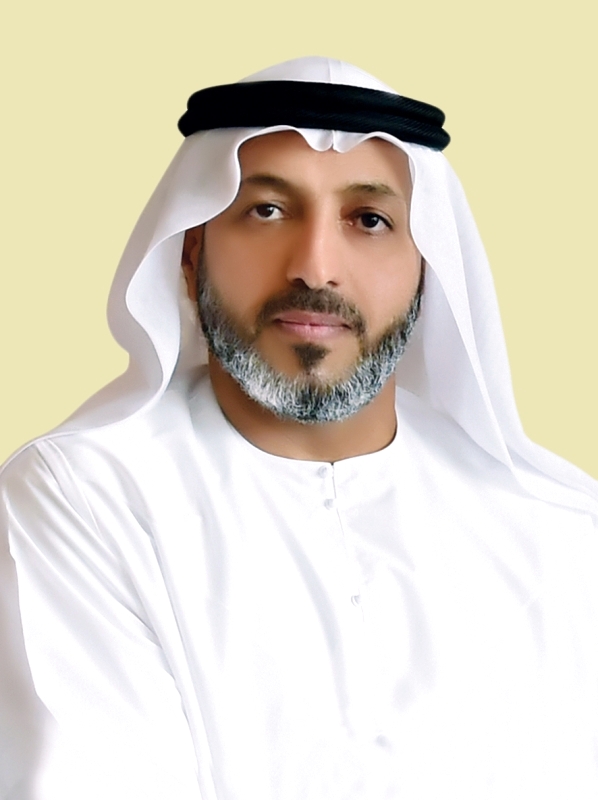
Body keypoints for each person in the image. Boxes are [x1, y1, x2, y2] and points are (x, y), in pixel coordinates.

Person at [1, 56, 598, 800]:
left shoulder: (560, 531)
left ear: (428, 265)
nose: (315, 268)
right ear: (192, 252)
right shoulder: (84, 498)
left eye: (369, 220)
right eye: (267, 211)